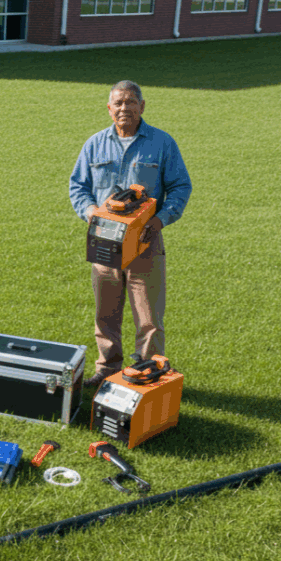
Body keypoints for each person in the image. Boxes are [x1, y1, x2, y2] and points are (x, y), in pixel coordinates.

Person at [69, 80, 192, 386]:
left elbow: (180, 187)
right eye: (118, 103)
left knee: (148, 318)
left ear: (142, 106)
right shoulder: (94, 144)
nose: (124, 108)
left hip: (145, 244)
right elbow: (78, 187)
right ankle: (108, 368)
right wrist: (90, 213)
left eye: (130, 102)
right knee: (105, 314)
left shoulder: (162, 143)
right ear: (109, 109)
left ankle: (148, 374)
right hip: (105, 244)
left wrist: (161, 220)